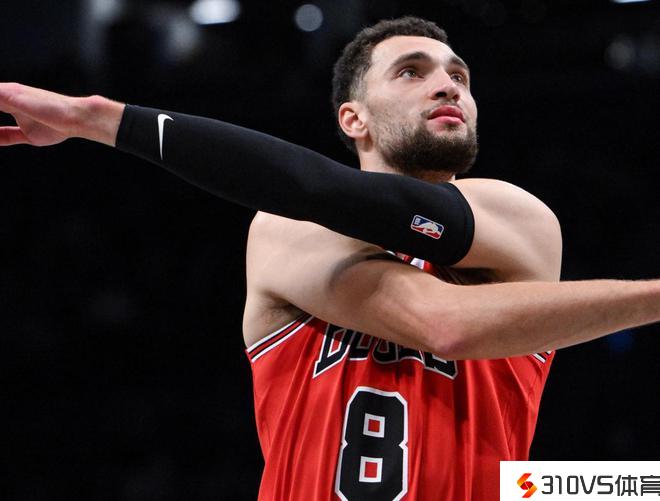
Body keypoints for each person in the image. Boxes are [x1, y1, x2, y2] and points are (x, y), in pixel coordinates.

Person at [0, 15, 658, 501]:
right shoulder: (286, 228)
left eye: (459, 76)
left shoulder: (522, 219)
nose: (447, 86)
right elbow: (443, 322)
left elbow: (511, 458)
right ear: (353, 119)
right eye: (412, 72)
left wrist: (621, 484)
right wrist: (105, 119)